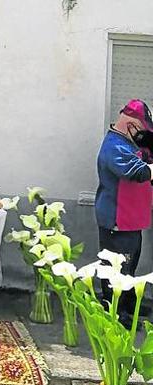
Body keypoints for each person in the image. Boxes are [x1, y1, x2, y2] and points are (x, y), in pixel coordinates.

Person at [95, 99, 153, 326]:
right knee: (115, 268)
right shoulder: (114, 146)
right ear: (130, 126)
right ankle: (114, 312)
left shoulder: (130, 144)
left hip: (132, 219)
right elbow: (136, 172)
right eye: (142, 131)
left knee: (130, 265)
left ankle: (128, 303)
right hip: (116, 219)